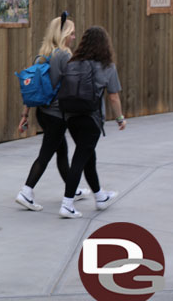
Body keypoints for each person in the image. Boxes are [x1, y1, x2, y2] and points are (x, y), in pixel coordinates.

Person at [15, 12, 90, 212]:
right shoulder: (64, 55)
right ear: (64, 33)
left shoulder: (45, 52)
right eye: (72, 33)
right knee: (46, 155)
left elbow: (33, 88)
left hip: (43, 112)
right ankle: (26, 191)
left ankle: (71, 190)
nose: (74, 37)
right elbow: (74, 85)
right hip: (57, 114)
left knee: (61, 151)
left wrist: (24, 115)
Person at [58, 26, 126, 218]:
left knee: (88, 156)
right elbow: (113, 96)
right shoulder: (107, 66)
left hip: (71, 117)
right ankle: (67, 204)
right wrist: (120, 118)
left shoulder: (72, 62)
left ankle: (99, 196)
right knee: (80, 158)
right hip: (92, 119)